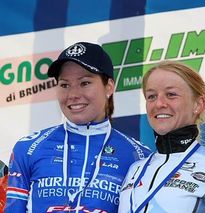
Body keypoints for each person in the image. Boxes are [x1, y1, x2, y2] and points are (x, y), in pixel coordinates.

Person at [5, 42, 151, 213]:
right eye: (65, 85)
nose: (73, 95)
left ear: (109, 86)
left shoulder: (139, 157)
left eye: (84, 83)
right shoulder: (29, 148)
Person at [118, 61, 205, 213]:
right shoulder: (135, 169)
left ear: (198, 105)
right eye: (151, 96)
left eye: (171, 94)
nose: (159, 103)